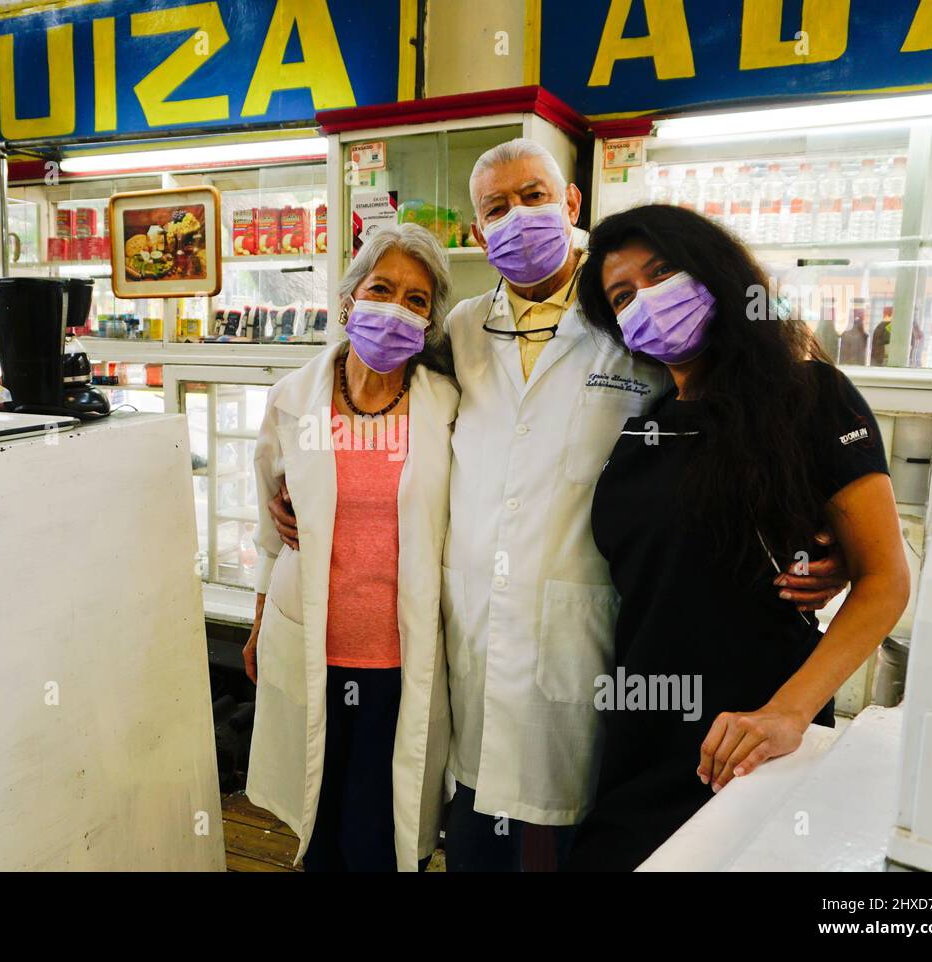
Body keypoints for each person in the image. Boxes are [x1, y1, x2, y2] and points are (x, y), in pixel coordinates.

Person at [270, 139, 848, 871]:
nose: (518, 218)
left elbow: (761, 382)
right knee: (476, 834)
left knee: (577, 841)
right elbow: (372, 383)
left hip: (589, 640)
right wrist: (297, 476)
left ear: (571, 203)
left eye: (534, 197)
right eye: (496, 208)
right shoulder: (460, 330)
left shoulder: (628, 320)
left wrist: (818, 529)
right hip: (472, 636)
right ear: (478, 233)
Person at [564, 204, 911, 871]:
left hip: (752, 741)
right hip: (642, 734)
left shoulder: (812, 397)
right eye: (623, 296)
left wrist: (785, 716)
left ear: (713, 271)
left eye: (662, 272)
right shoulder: (643, 428)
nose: (648, 301)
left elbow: (885, 580)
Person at [243, 224, 458, 872]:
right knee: (316, 829)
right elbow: (266, 527)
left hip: (397, 658)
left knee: (381, 836)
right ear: (348, 300)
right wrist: (256, 628)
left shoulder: (445, 404)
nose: (396, 308)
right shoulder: (292, 399)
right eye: (382, 288)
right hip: (309, 643)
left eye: (416, 300)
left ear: (429, 322)